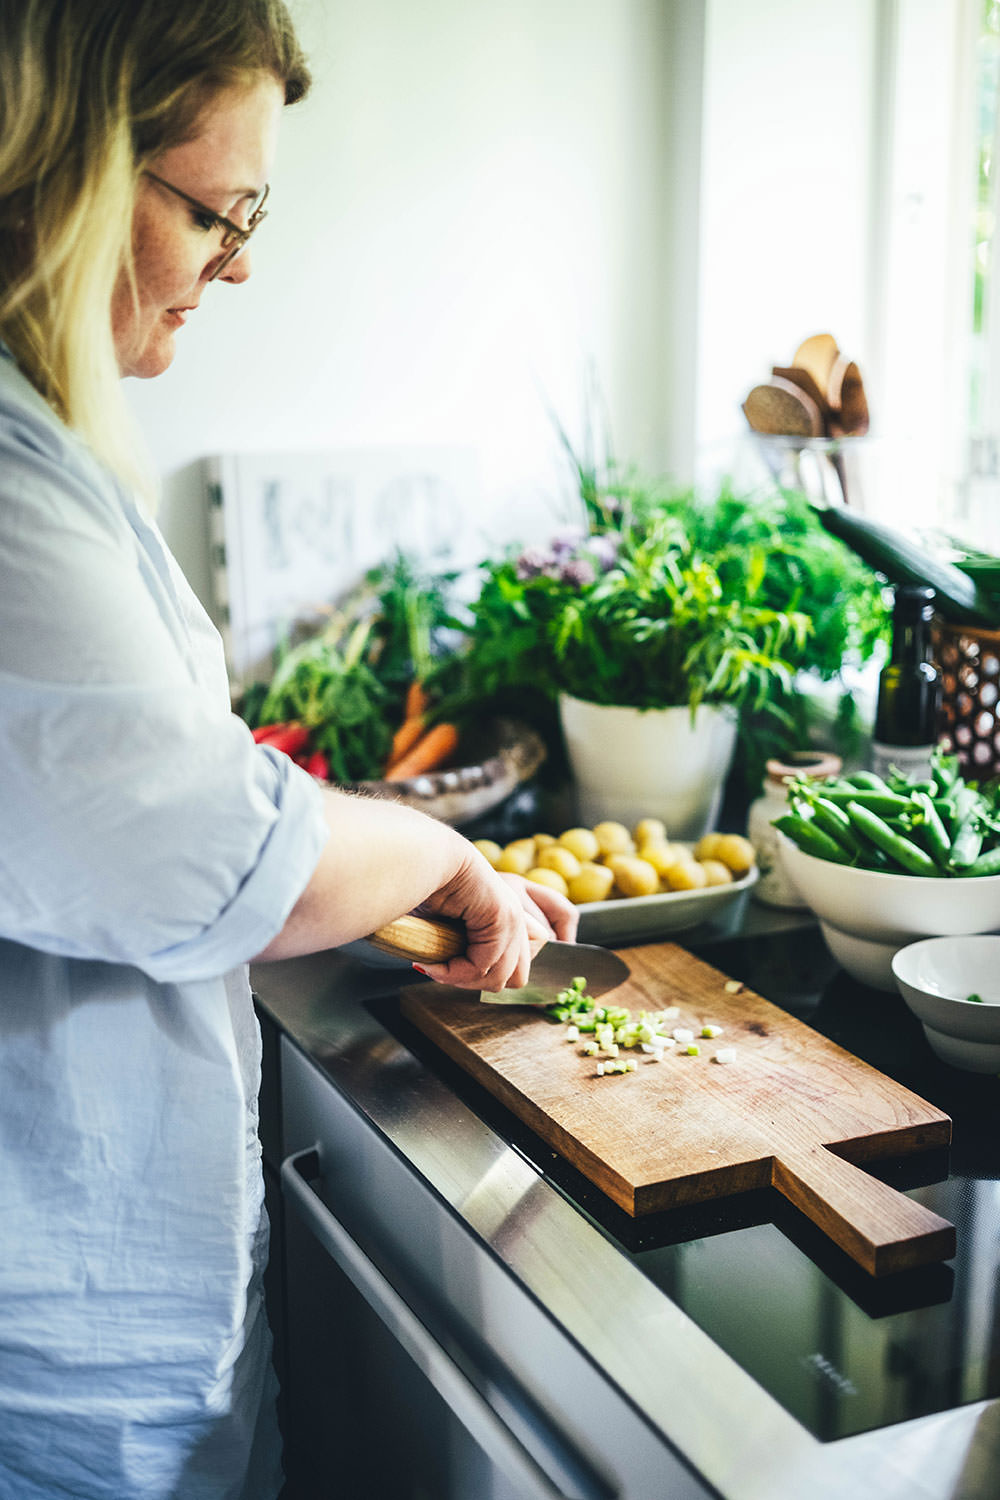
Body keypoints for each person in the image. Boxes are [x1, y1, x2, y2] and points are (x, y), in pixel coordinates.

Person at [0, 4, 578, 1497]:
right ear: (61, 163)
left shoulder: (42, 450)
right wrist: (444, 849)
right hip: (53, 1387)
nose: (239, 261)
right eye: (217, 210)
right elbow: (215, 851)